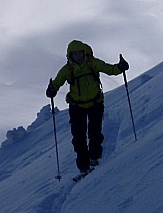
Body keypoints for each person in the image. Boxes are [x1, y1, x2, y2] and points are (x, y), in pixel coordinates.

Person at [46, 40, 129, 176]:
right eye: (75, 54)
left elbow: (109, 69)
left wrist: (120, 67)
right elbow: (57, 82)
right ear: (70, 55)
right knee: (79, 137)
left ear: (84, 53)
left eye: (79, 53)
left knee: (94, 132)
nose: (78, 56)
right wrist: (52, 89)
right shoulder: (67, 70)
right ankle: (84, 165)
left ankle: (94, 157)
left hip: (95, 103)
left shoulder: (92, 63)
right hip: (77, 106)